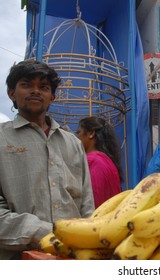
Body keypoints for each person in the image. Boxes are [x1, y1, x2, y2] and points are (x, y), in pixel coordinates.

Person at [0, 60, 95, 259]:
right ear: (11, 93)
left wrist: (88, 243)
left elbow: (86, 204)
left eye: (43, 87)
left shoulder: (73, 143)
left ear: (52, 97)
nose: (35, 91)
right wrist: (46, 231)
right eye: (26, 84)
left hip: (73, 256)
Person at [77, 116, 123, 207]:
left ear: (91, 133)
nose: (77, 138)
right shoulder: (107, 160)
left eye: (79, 132)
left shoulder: (92, 161)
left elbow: (93, 201)